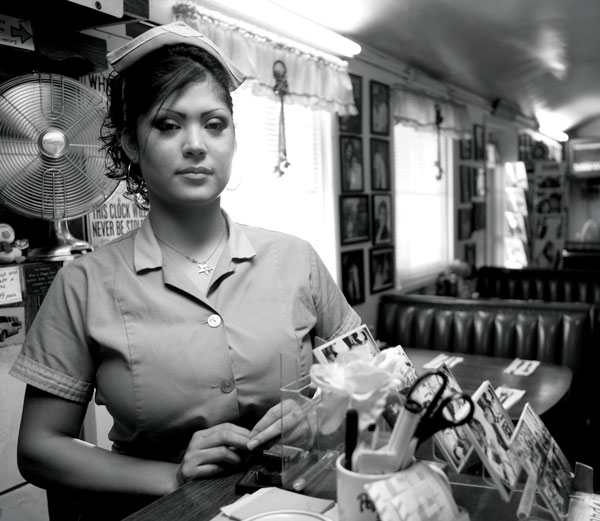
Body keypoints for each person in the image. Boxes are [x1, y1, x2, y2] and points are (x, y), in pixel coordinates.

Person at [9, 21, 361, 520]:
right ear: (131, 144)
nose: (196, 144)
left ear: (234, 138)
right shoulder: (84, 282)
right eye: (169, 125)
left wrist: (319, 415)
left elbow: (382, 382)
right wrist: (170, 476)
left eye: (214, 124)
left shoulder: (296, 258)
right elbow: (40, 448)